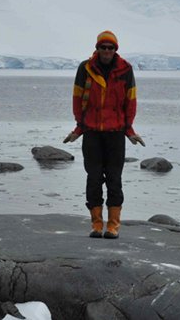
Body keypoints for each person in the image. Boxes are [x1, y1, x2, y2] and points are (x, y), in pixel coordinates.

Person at [63, 30, 144, 239]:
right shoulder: (86, 68)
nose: (106, 51)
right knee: (94, 178)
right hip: (92, 134)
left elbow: (130, 101)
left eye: (110, 48)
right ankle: (97, 224)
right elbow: (78, 99)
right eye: (103, 47)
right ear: (97, 48)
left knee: (114, 179)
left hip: (115, 134)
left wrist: (130, 130)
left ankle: (113, 226)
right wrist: (79, 128)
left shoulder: (125, 70)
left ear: (115, 50)